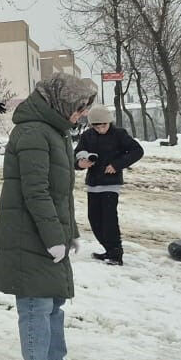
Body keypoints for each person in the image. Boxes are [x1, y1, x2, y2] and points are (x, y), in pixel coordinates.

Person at [0, 73, 97, 360]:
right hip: (28, 233)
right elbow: (35, 192)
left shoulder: (55, 133)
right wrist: (54, 237)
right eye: (79, 108)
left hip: (46, 232)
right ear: (62, 102)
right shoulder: (34, 133)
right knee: (36, 305)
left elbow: (61, 195)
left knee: (53, 303)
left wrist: (70, 233)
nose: (80, 115)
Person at [74, 105, 144, 266]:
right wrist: (80, 163)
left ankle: (115, 254)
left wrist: (117, 165)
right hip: (93, 183)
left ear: (109, 122)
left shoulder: (119, 134)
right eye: (96, 126)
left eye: (103, 125)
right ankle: (108, 249)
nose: (100, 129)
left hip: (111, 184)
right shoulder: (87, 136)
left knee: (109, 220)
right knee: (94, 219)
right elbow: (76, 154)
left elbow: (137, 151)